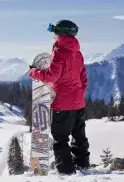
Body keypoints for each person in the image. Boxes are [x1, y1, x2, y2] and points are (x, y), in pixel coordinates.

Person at [28, 20, 90, 174]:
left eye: (54, 32)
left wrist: (34, 72)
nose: (53, 35)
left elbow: (52, 76)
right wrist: (78, 94)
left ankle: (65, 171)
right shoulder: (78, 53)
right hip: (78, 103)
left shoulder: (59, 51)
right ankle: (83, 167)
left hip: (63, 103)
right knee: (79, 137)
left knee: (60, 139)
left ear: (61, 33)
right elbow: (83, 79)